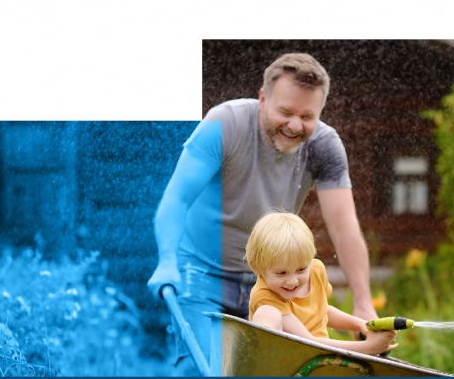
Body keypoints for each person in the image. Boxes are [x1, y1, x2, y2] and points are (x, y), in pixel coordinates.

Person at [146, 53, 378, 374]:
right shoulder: (224, 124)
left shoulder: (325, 145)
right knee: (208, 370)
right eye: (285, 112)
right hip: (202, 274)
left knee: (271, 369)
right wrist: (167, 260)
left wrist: (363, 301)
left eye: (308, 116)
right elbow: (176, 199)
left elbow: (344, 227)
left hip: (272, 282)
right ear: (263, 99)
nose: (295, 125)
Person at [245, 211, 397, 355]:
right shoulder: (264, 296)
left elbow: (322, 309)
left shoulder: (316, 270)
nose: (293, 281)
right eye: (281, 273)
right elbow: (308, 342)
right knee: (268, 314)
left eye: (301, 269)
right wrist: (367, 348)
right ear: (259, 268)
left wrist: (360, 324)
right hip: (291, 362)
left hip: (321, 361)